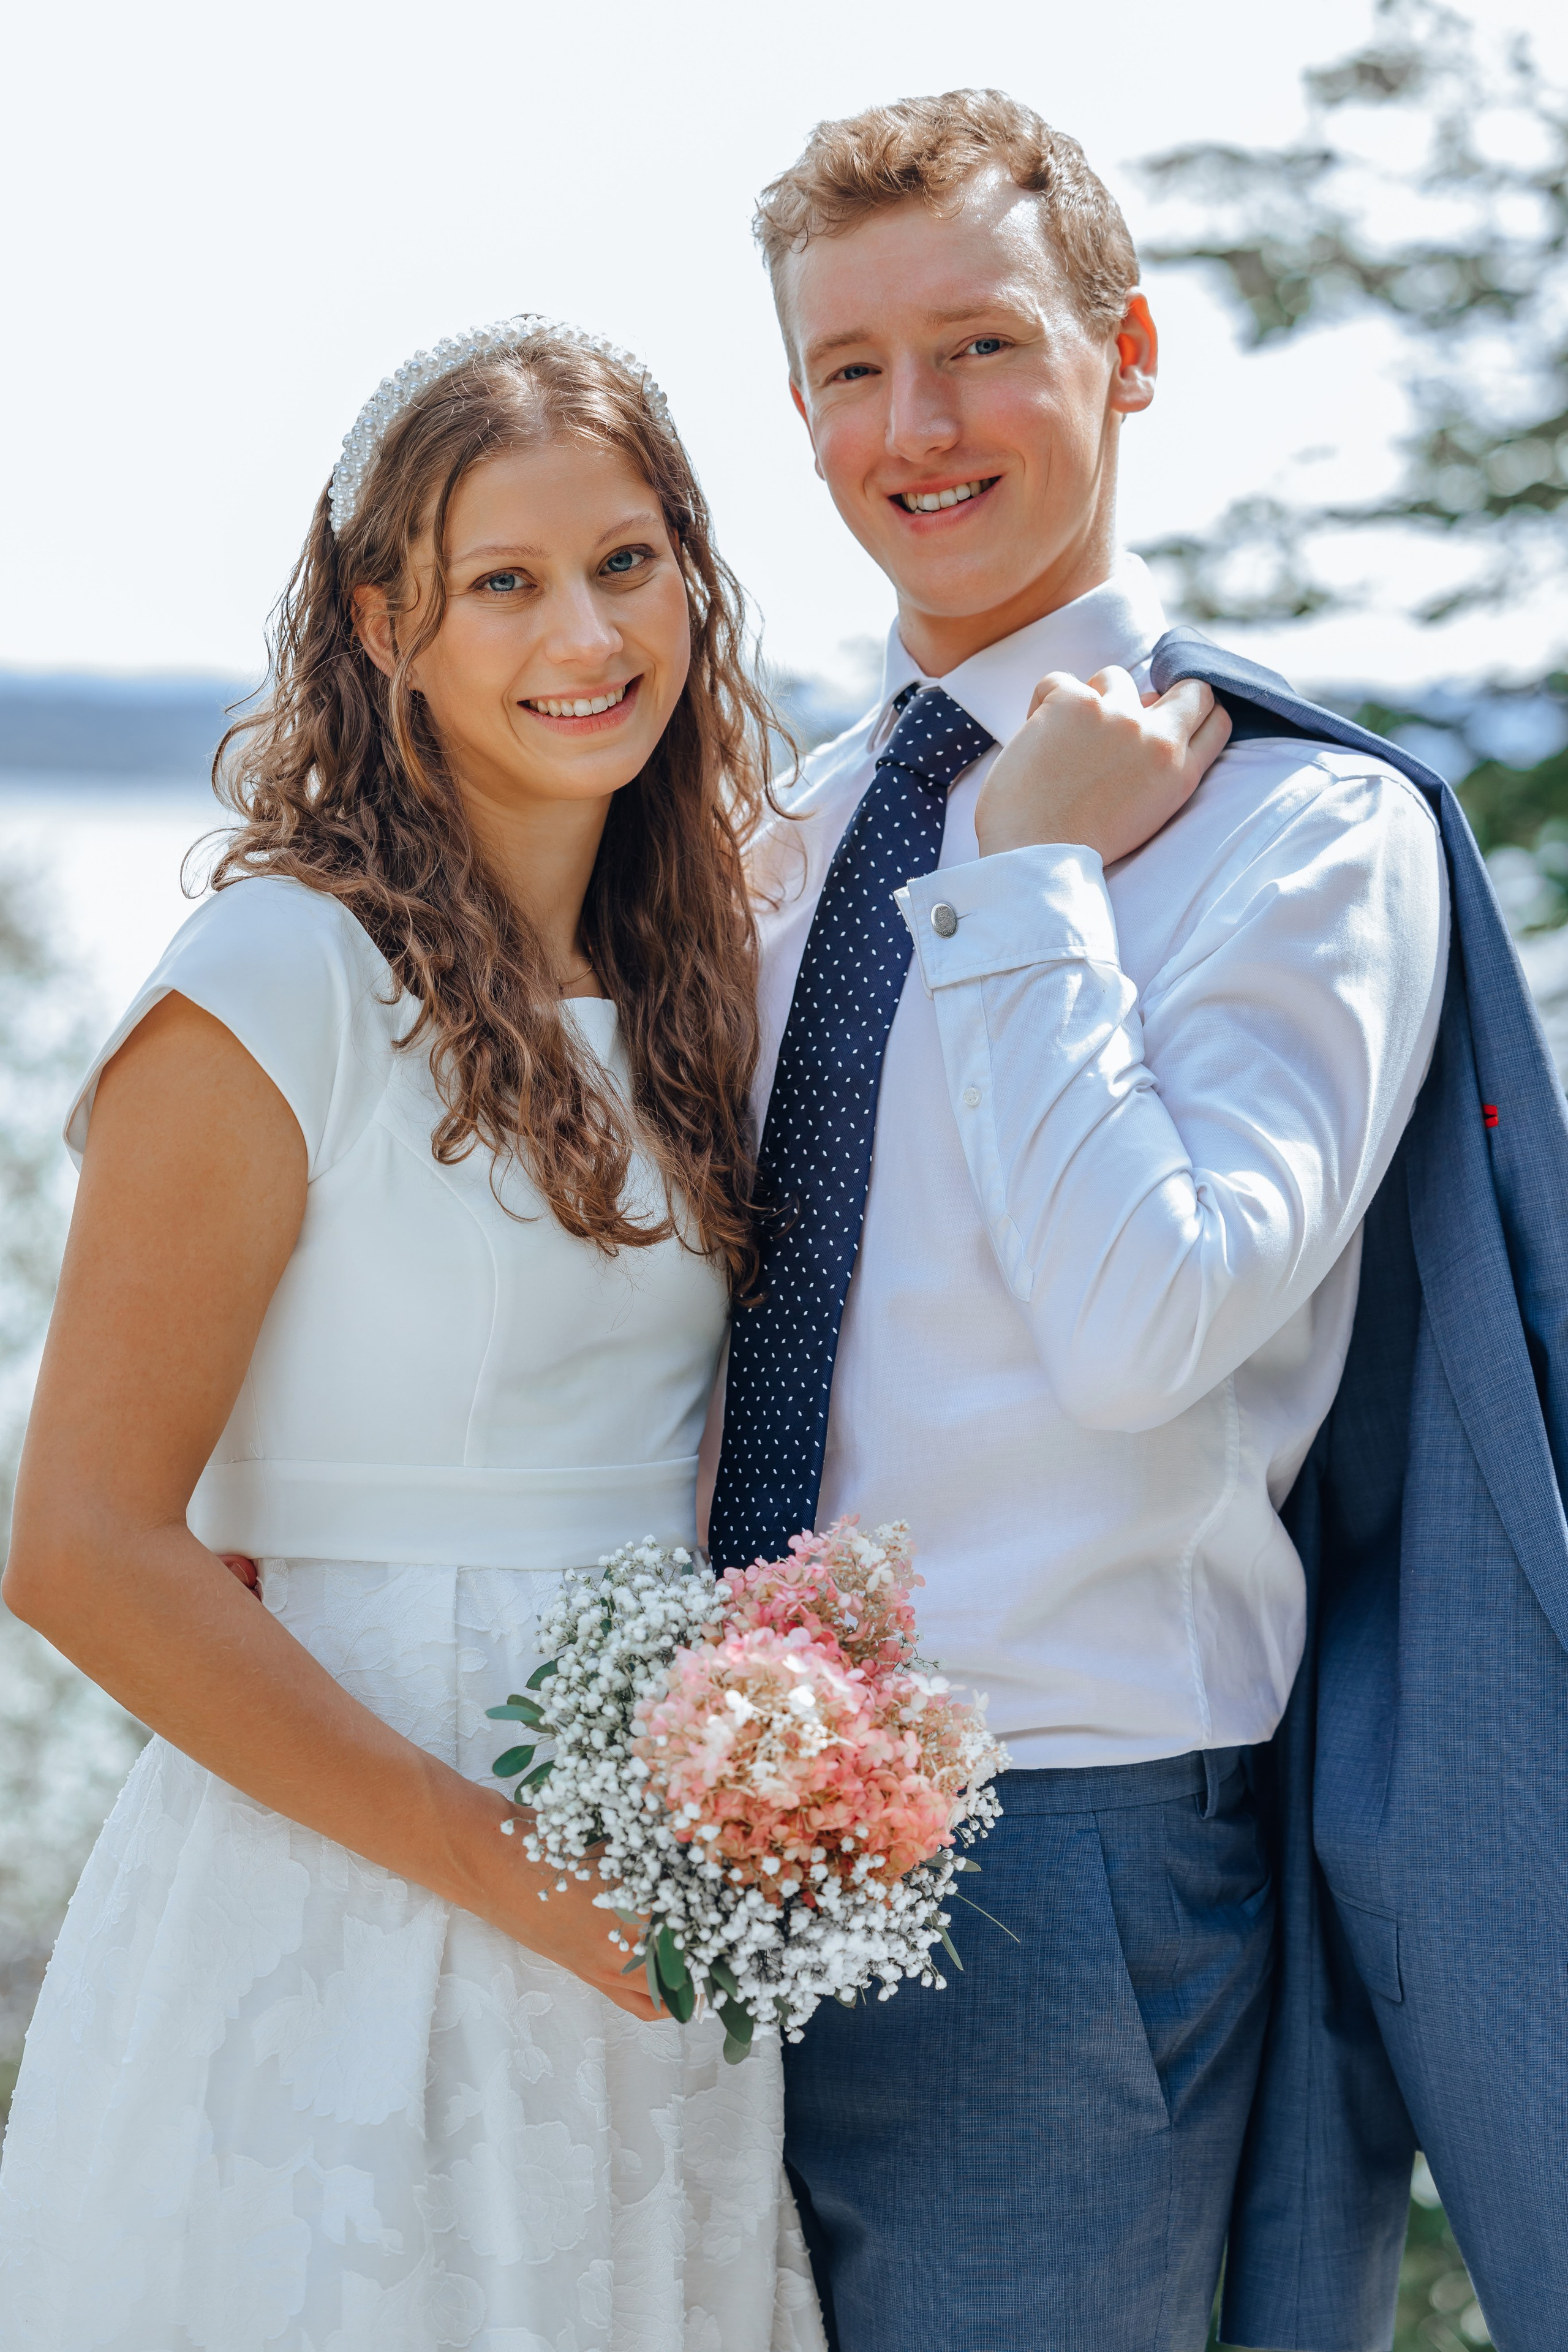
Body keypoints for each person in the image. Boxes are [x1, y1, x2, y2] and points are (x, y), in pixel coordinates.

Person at [0, 317, 832, 2351]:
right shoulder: (272, 978)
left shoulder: (694, 982)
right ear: (389, 621)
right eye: (507, 582)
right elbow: (80, 1547)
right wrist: (517, 1875)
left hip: (644, 1922)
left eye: (630, 563)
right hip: (357, 1885)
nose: (589, 633)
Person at [705, 91, 1453, 2351]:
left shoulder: (1302, 836)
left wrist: (1031, 881)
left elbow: (1152, 1328)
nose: (914, 427)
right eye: (850, 368)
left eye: (983, 346)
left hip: (1058, 1848)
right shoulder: (782, 836)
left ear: (1126, 352)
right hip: (695, 1824)